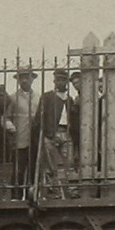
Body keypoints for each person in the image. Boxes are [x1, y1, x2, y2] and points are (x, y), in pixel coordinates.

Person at [33, 70, 82, 201]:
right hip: (51, 134)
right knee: (50, 165)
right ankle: (53, 191)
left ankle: (73, 190)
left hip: (66, 133)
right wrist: (45, 134)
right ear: (54, 82)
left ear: (66, 82)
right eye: (58, 80)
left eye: (63, 80)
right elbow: (39, 118)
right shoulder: (47, 97)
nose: (60, 83)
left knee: (70, 163)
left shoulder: (70, 99)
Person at [0, 68, 38, 202]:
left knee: (33, 170)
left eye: (27, 77)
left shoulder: (39, 97)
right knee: (18, 169)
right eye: (21, 78)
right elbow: (5, 118)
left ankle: (33, 195)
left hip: (35, 140)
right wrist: (11, 128)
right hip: (19, 139)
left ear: (32, 79)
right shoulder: (12, 98)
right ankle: (16, 197)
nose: (24, 80)